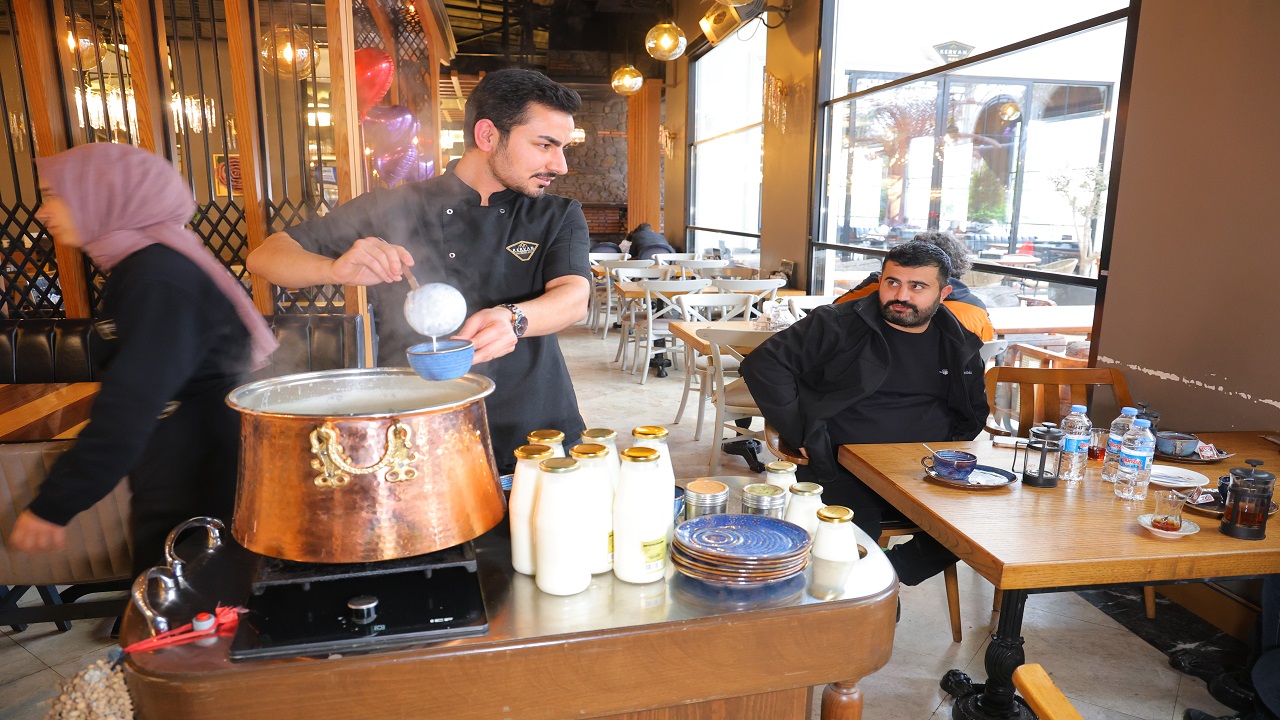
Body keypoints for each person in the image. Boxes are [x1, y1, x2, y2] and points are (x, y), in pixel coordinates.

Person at [246, 68, 590, 471]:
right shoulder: (390, 207)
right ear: (487, 136)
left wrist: (515, 318)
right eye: (545, 145)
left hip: (532, 428)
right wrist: (335, 269)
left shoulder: (557, 214)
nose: (561, 165)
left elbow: (574, 297)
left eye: (563, 148)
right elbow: (266, 256)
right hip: (410, 429)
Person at [7, 143, 277, 574]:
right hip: (185, 472)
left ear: (106, 195)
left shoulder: (159, 277)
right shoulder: (143, 267)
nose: (43, 210)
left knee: (191, 621)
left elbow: (130, 404)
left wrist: (56, 503)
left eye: (56, 194)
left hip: (203, 484)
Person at [740, 242, 989, 585]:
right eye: (892, 282)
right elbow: (764, 365)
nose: (901, 295)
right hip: (843, 465)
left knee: (980, 524)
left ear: (943, 292)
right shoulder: (836, 323)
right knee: (846, 538)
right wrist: (798, 432)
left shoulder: (959, 342)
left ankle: (887, 574)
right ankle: (861, 593)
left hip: (923, 468)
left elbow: (973, 408)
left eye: (917, 286)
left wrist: (950, 453)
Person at [835, 231, 995, 341]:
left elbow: (837, 311)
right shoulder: (977, 308)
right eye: (893, 283)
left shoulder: (877, 287)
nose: (901, 295)